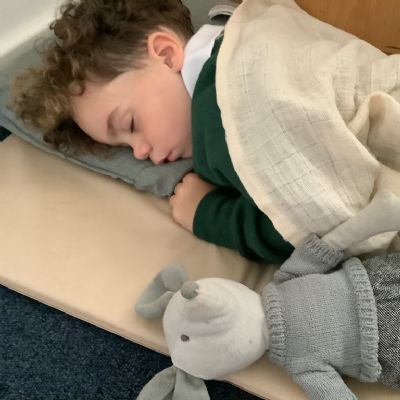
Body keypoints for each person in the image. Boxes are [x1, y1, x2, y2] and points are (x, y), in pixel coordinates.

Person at [11, 0, 294, 263]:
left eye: (130, 124)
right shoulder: (235, 30)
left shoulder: (216, 116)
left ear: (166, 54)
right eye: (124, 146)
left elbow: (297, 227)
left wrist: (207, 212)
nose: (139, 152)